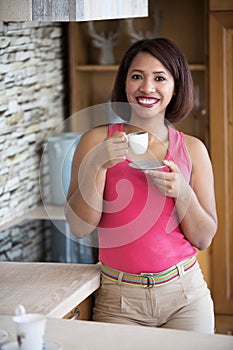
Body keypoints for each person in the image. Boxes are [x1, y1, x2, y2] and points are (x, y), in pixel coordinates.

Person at [65, 38, 217, 333]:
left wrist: (183, 193)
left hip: (186, 298)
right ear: (124, 83)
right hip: (119, 301)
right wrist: (97, 164)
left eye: (160, 78)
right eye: (137, 76)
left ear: (176, 87)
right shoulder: (95, 142)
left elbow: (204, 238)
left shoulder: (193, 149)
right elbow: (80, 227)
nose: (147, 88)